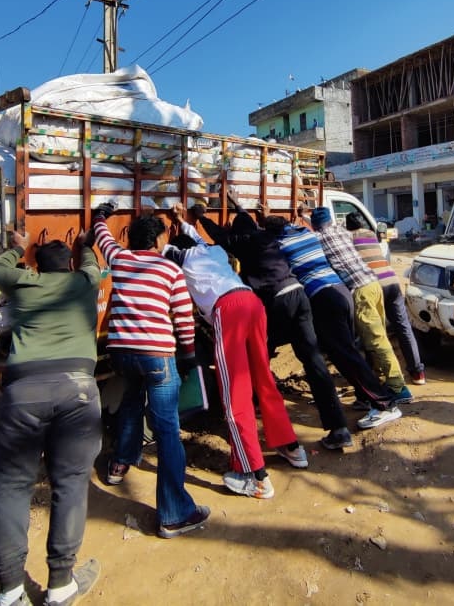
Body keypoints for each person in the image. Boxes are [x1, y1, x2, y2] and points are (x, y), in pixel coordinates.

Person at [0, 231, 103, 606]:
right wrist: (84, 243)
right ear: (67, 265)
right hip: (79, 390)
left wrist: (19, 244)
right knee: (69, 484)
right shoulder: (83, 282)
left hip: (25, 392)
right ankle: (61, 584)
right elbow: (93, 262)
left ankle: (10, 592)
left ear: (35, 265)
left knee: (10, 488)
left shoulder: (23, 281)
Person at [164, 203, 305, 500]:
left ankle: (253, 474)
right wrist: (183, 222)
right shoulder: (212, 251)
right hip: (253, 304)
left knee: (234, 394)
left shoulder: (177, 256)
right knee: (263, 379)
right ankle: (291, 446)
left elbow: (160, 252)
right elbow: (196, 238)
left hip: (227, 312)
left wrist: (164, 230)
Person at [193, 200, 358, 450]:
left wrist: (201, 217)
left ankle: (253, 412)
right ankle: (339, 427)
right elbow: (249, 222)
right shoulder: (267, 236)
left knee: (258, 357)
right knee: (313, 361)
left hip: (277, 303)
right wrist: (238, 205)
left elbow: (216, 234)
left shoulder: (240, 242)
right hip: (299, 296)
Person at [91, 205, 210, 539]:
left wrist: (100, 216)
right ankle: (174, 513)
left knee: (131, 399)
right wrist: (187, 354)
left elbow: (102, 239)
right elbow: (184, 317)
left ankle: (119, 464)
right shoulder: (169, 270)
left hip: (121, 354)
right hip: (156, 354)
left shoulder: (120, 258)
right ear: (159, 240)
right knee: (167, 428)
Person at [264, 206, 403, 432]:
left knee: (345, 354)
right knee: (342, 352)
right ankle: (368, 398)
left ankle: (385, 404)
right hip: (342, 292)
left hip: (324, 297)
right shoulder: (307, 234)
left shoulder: (281, 245)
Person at [307, 207, 411, 404]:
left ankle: (399, 388)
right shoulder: (342, 232)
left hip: (360, 290)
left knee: (375, 341)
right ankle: (381, 382)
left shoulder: (317, 240)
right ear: (330, 220)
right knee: (378, 337)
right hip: (374, 285)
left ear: (314, 226)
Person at [344, 211, 426, 384]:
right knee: (403, 327)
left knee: (374, 331)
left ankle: (377, 373)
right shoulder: (371, 235)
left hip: (373, 285)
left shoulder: (347, 239)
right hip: (392, 282)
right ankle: (417, 373)